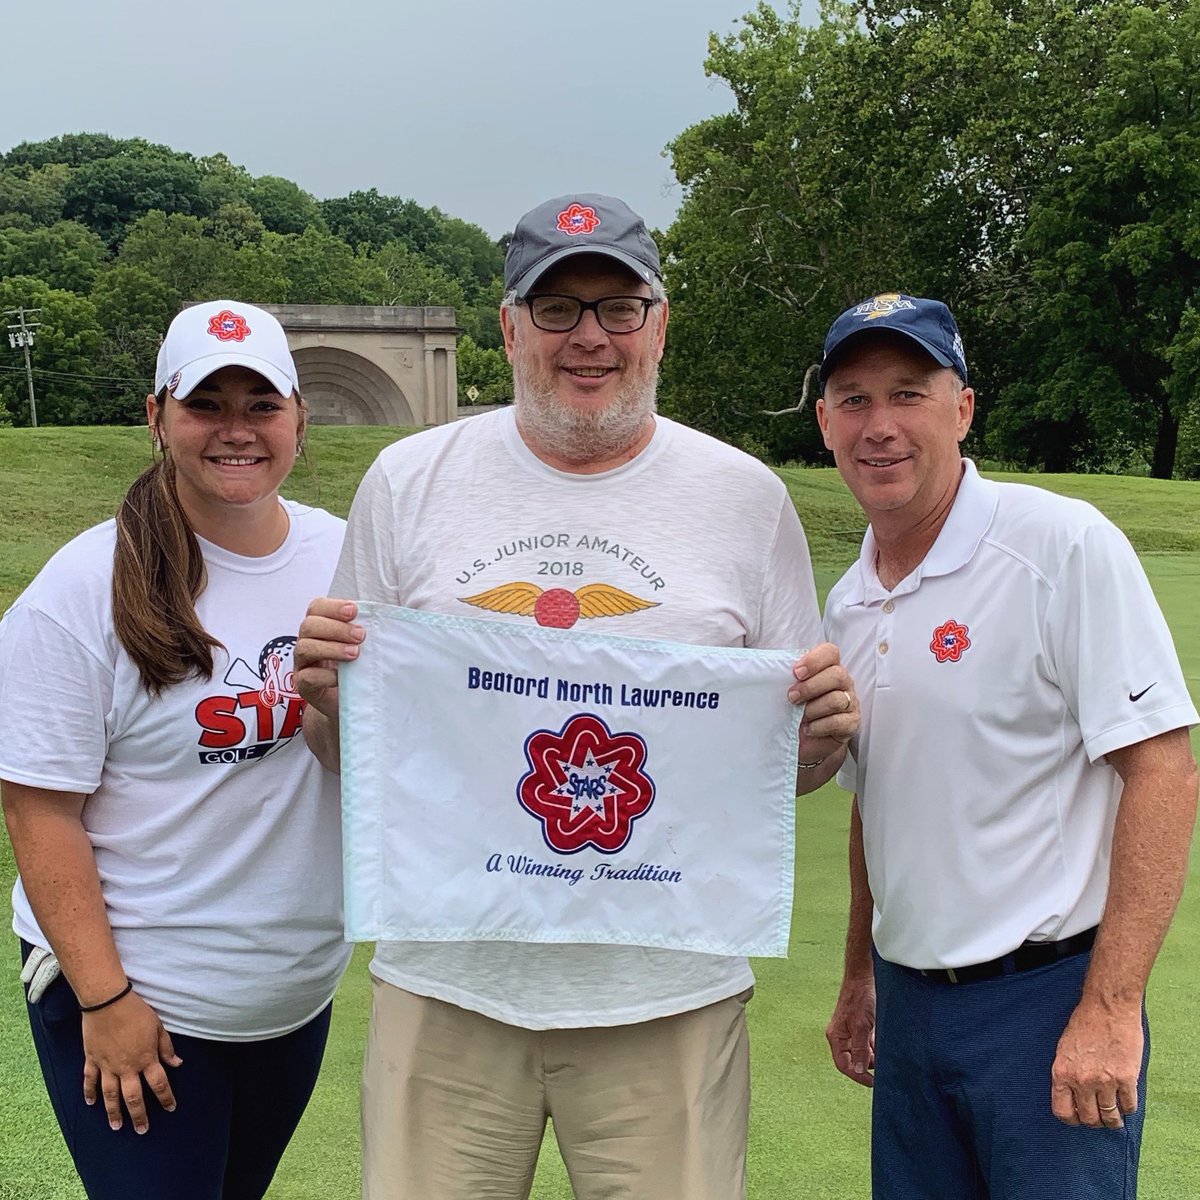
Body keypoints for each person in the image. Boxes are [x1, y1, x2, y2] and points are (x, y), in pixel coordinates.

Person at [295, 193, 859, 1200]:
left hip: (669, 996)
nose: (589, 336)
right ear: (509, 328)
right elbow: (355, 752)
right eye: (555, 308)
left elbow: (787, 771)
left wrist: (819, 741)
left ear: (660, 324)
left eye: (618, 306)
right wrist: (327, 702)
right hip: (451, 989)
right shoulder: (406, 481)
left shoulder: (743, 496)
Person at [815, 292, 1199, 1198]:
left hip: (1045, 1001)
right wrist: (859, 976)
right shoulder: (847, 600)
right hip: (912, 1012)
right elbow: (883, 802)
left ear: (963, 408)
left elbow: (1163, 769)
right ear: (826, 423)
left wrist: (1111, 1009)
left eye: (909, 393)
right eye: (856, 399)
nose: (881, 426)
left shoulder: (1059, 546)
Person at [0, 300, 352, 1200]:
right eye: (207, 404)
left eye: (261, 404)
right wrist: (105, 1000)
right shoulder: (80, 588)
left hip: (290, 996)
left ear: (300, 420)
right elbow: (39, 809)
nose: (237, 430)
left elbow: (373, 757)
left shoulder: (346, 559)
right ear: (157, 417)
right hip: (140, 1001)